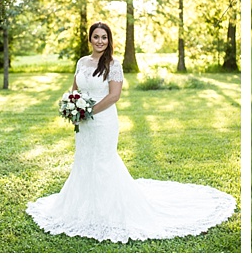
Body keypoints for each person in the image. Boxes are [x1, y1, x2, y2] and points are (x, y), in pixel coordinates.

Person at [26, 22, 236, 244]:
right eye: (96, 37)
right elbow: (75, 89)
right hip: (83, 123)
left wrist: (88, 111)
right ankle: (83, 207)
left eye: (104, 37)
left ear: (109, 40)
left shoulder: (113, 65)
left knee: (104, 162)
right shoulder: (81, 62)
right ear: (90, 39)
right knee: (84, 160)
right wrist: (72, 105)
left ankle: (108, 211)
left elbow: (114, 95)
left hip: (103, 119)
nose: (100, 41)